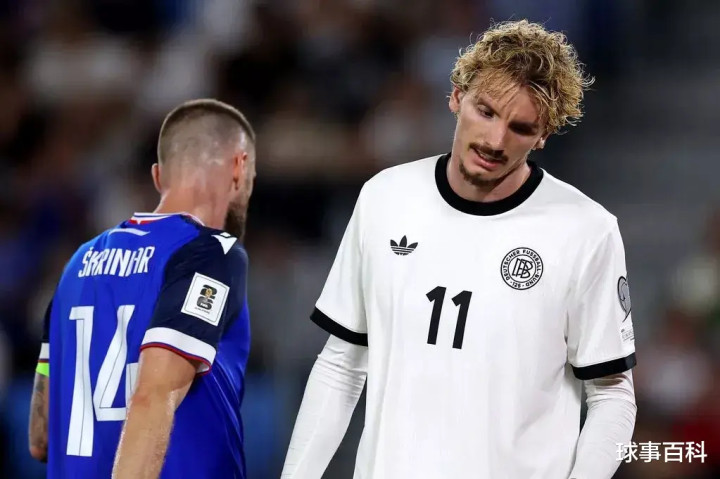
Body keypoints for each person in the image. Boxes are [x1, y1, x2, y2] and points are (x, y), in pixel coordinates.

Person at [281, 20, 637, 479]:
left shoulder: (586, 231)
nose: (495, 141)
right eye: (486, 112)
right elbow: (341, 364)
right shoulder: (385, 197)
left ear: (543, 135)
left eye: (520, 127)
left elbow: (612, 394)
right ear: (456, 96)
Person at [28, 99, 257, 479]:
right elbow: (153, 396)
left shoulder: (78, 264)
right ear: (239, 166)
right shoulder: (211, 253)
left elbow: (41, 437)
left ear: (157, 176)